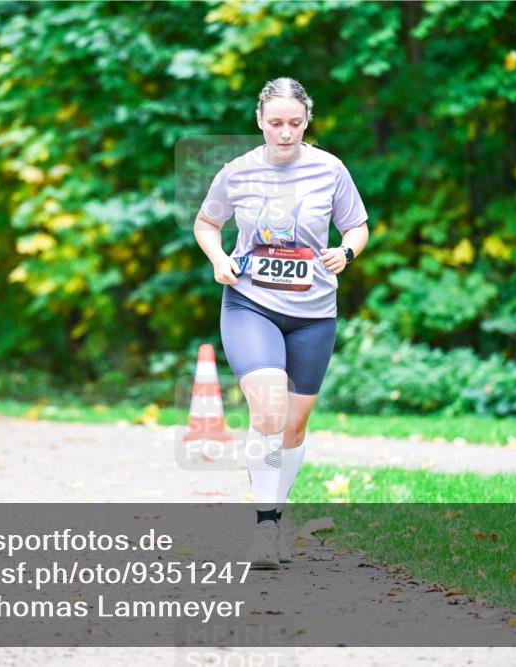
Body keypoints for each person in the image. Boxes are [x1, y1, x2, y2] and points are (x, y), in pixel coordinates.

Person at [194, 77, 368, 568]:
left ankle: (277, 508)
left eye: (295, 123)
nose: (285, 133)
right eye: (276, 123)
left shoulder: (330, 170)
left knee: (292, 428)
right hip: (250, 304)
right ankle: (266, 528)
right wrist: (218, 257)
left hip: (314, 313)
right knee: (268, 412)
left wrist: (346, 250)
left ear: (306, 121)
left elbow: (358, 224)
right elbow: (206, 223)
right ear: (260, 122)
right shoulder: (238, 172)